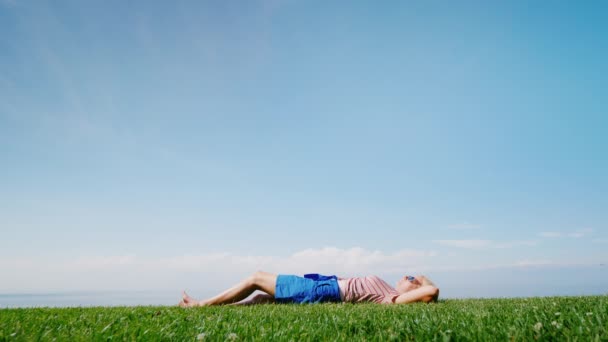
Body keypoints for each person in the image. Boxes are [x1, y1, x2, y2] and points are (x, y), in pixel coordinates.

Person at [178, 271, 439, 307]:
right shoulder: (388, 291)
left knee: (256, 278)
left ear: (414, 288)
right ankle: (218, 308)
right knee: (260, 299)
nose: (405, 276)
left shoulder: (392, 297)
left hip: (321, 291)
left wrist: (424, 280)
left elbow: (432, 292)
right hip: (321, 286)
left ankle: (201, 305)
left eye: (410, 276)